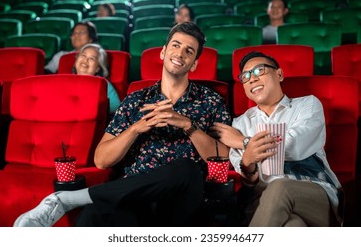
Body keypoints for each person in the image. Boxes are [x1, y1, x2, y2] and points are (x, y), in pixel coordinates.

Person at [13, 22, 232, 227]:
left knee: (187, 169)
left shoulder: (210, 101)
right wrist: (136, 128)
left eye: (189, 51)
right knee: (93, 215)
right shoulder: (135, 100)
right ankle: (73, 203)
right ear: (163, 52)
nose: (180, 53)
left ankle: (71, 199)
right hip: (132, 199)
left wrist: (188, 125)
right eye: (175, 45)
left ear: (194, 64)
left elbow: (225, 156)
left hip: (181, 200)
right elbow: (101, 160)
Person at [211, 51, 343, 227]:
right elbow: (248, 181)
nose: (252, 79)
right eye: (246, 76)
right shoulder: (239, 123)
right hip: (264, 202)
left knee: (280, 187)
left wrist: (244, 142)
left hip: (315, 197)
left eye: (259, 71)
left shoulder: (307, 105)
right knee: (293, 228)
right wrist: (248, 162)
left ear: (279, 74)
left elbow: (292, 147)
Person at [72, 43, 120, 114]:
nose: (85, 60)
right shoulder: (64, 81)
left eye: (92, 58)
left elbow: (116, 107)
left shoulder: (103, 84)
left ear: (98, 68)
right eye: (83, 55)